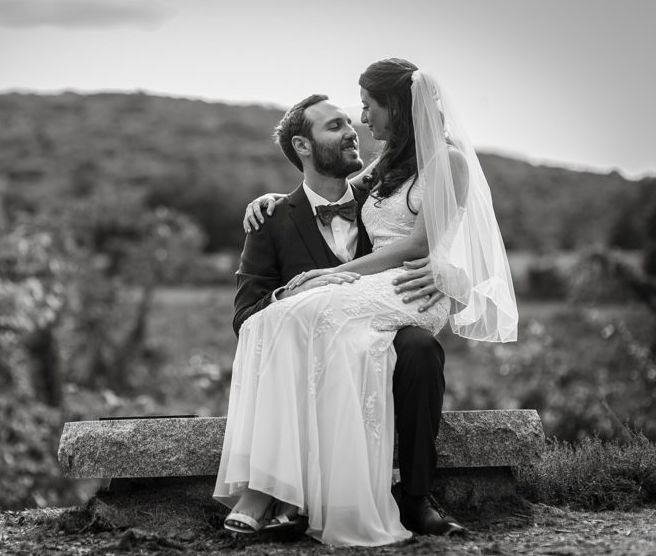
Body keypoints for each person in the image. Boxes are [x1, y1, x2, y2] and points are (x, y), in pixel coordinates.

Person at [213, 58, 518, 547]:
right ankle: (280, 489)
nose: (361, 121)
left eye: (366, 108)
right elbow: (325, 191)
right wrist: (274, 198)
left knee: (404, 345)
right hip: (368, 299)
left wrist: (333, 275)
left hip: (410, 290)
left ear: (396, 107)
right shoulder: (382, 170)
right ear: (304, 145)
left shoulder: (447, 160)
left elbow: (422, 241)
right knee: (277, 320)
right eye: (345, 118)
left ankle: (415, 499)